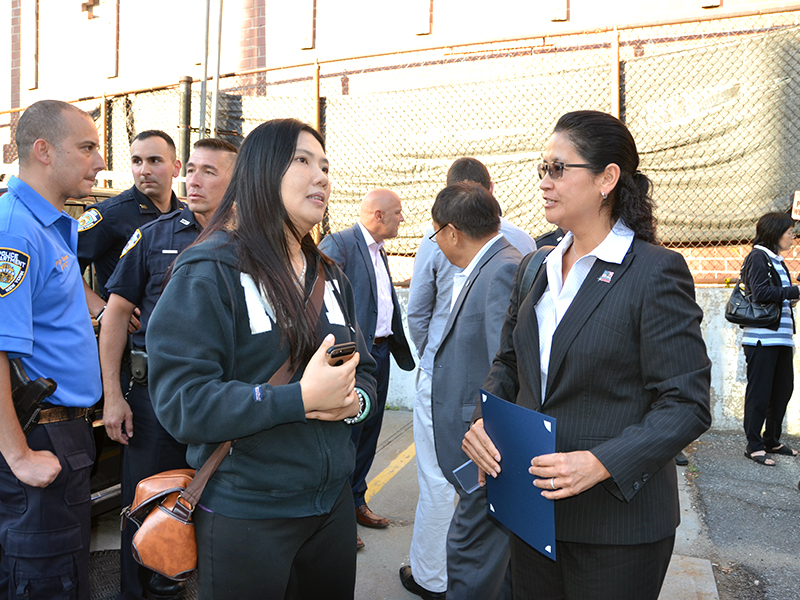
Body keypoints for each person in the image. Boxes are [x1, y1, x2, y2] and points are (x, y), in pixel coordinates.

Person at [462, 110, 712, 600]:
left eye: (559, 168)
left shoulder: (654, 272)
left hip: (617, 529)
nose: (544, 182)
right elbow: (510, 364)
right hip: (532, 513)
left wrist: (601, 462)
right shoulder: (536, 265)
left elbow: (686, 403)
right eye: (542, 169)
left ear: (607, 179)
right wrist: (482, 422)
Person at [145, 118, 377, 600]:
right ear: (261, 172)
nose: (321, 176)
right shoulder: (209, 270)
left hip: (330, 508)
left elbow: (367, 369)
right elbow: (183, 402)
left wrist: (355, 404)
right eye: (302, 161)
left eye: (326, 166)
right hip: (245, 514)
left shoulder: (332, 276)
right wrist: (299, 400)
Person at [100, 138, 237, 600]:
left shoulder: (250, 244)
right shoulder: (155, 235)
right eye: (191, 169)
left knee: (211, 515)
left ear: (237, 181)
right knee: (145, 509)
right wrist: (114, 397)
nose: (193, 181)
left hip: (222, 406)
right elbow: (116, 315)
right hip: (154, 404)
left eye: (208, 172)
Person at [404, 157, 534, 598]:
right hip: (476, 431)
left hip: (482, 437)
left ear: (452, 232)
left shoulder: (500, 268)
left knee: (470, 551)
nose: (436, 242)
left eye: (436, 233)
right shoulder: (495, 260)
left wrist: (485, 424)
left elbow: (508, 362)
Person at [0, 99, 104, 599]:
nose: (100, 162)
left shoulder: (47, 224)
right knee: (44, 580)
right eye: (86, 148)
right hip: (39, 437)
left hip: (64, 434)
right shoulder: (15, 229)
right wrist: (19, 456)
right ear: (42, 150)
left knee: (62, 571)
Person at [318, 188, 415, 546]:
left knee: (369, 432)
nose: (402, 219)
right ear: (378, 215)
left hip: (380, 354)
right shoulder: (338, 245)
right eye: (398, 213)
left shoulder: (378, 249)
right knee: (348, 436)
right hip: (352, 359)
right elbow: (318, 299)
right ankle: (338, 518)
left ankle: (356, 500)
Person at [78, 129, 182, 322]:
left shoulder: (185, 216)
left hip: (174, 334)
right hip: (127, 338)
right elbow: (65, 264)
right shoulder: (109, 214)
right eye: (137, 161)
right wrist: (103, 310)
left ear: (176, 168)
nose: (144, 171)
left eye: (155, 160)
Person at [740, 212, 799, 466]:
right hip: (762, 339)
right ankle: (753, 445)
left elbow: (783, 297)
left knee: (783, 390)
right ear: (775, 233)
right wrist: (795, 290)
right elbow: (761, 292)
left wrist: (793, 295)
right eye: (789, 232)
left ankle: (771, 440)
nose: (793, 236)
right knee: (760, 393)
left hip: (783, 338)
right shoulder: (757, 256)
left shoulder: (778, 260)